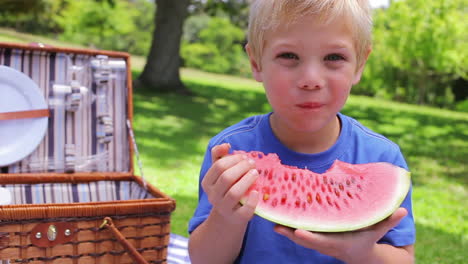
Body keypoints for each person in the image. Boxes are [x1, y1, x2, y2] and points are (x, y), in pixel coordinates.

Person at [188, 0, 416, 263]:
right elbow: (204, 259)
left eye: (334, 58)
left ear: (360, 65)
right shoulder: (231, 151)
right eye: (289, 56)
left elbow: (404, 259)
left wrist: (363, 253)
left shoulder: (382, 157)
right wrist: (225, 217)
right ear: (256, 62)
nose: (311, 79)